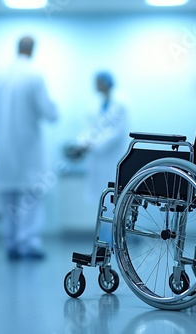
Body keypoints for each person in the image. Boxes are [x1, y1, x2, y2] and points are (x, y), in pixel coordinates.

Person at [0, 36, 58, 260]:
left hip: (4, 151)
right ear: (32, 49)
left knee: (8, 198)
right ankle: (27, 244)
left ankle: (10, 244)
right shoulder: (34, 75)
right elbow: (50, 113)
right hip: (28, 151)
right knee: (30, 198)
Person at [64, 71, 129, 245]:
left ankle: (115, 237)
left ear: (106, 83)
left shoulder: (120, 103)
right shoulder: (95, 104)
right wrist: (80, 143)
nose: (95, 85)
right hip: (98, 160)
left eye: (98, 82)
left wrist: (91, 145)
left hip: (112, 157)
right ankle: (105, 236)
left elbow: (115, 133)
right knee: (102, 199)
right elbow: (89, 129)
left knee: (114, 198)